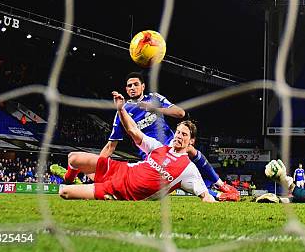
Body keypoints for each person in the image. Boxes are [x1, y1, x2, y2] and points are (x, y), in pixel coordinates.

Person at [67, 72, 238, 201]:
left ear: (143, 86)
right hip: (152, 156)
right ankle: (217, 195)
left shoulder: (154, 99)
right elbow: (111, 146)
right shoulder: (124, 111)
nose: (132, 88)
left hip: (171, 145)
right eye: (129, 86)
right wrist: (98, 167)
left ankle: (222, 186)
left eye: (135, 84)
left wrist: (154, 109)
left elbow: (180, 113)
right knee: (178, 180)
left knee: (191, 151)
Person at [52, 93, 215, 202]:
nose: (179, 136)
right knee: (72, 158)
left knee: (64, 192)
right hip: (121, 169)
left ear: (191, 141)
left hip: (122, 190)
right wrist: (121, 109)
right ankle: (70, 178)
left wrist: (216, 198)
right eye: (178, 132)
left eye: (184, 135)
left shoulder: (189, 169)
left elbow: (204, 194)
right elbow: (132, 130)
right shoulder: (159, 147)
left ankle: (82, 187)